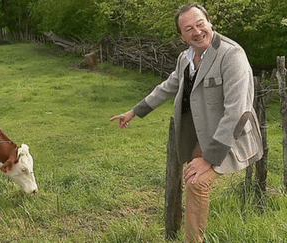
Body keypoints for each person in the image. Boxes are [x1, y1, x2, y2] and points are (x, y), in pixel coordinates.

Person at [110, 3, 263, 242]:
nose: (197, 32)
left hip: (229, 138)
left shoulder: (231, 55)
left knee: (197, 182)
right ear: (182, 36)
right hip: (203, 135)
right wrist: (135, 111)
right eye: (188, 28)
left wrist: (209, 159)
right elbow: (168, 86)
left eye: (200, 24)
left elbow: (237, 111)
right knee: (192, 181)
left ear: (210, 22)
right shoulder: (186, 58)